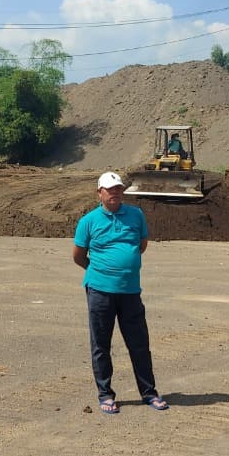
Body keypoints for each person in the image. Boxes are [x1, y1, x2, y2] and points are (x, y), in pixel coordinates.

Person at [72, 171, 167, 414]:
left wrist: (125, 266)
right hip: (100, 291)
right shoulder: (88, 221)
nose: (115, 193)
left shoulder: (136, 215)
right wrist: (101, 271)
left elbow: (141, 245)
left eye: (118, 189)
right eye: (110, 189)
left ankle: (149, 393)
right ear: (99, 193)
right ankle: (106, 395)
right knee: (101, 345)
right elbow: (78, 256)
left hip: (130, 291)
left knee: (139, 344)